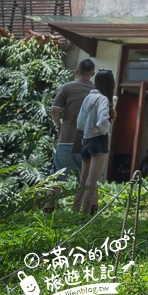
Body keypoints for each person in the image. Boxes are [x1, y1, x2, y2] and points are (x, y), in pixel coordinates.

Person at [46, 58, 95, 212]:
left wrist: (59, 126)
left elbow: (55, 110)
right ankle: (91, 210)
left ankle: (49, 208)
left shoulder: (66, 88)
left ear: (76, 72)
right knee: (89, 178)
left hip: (66, 139)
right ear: (92, 74)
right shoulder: (97, 92)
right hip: (87, 140)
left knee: (57, 176)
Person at [74, 69, 116, 215]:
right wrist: (99, 129)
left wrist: (87, 130)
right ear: (110, 84)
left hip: (85, 141)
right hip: (98, 142)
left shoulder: (88, 98)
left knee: (83, 180)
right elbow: (104, 120)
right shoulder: (103, 99)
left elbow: (79, 122)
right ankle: (84, 216)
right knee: (92, 181)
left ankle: (74, 211)